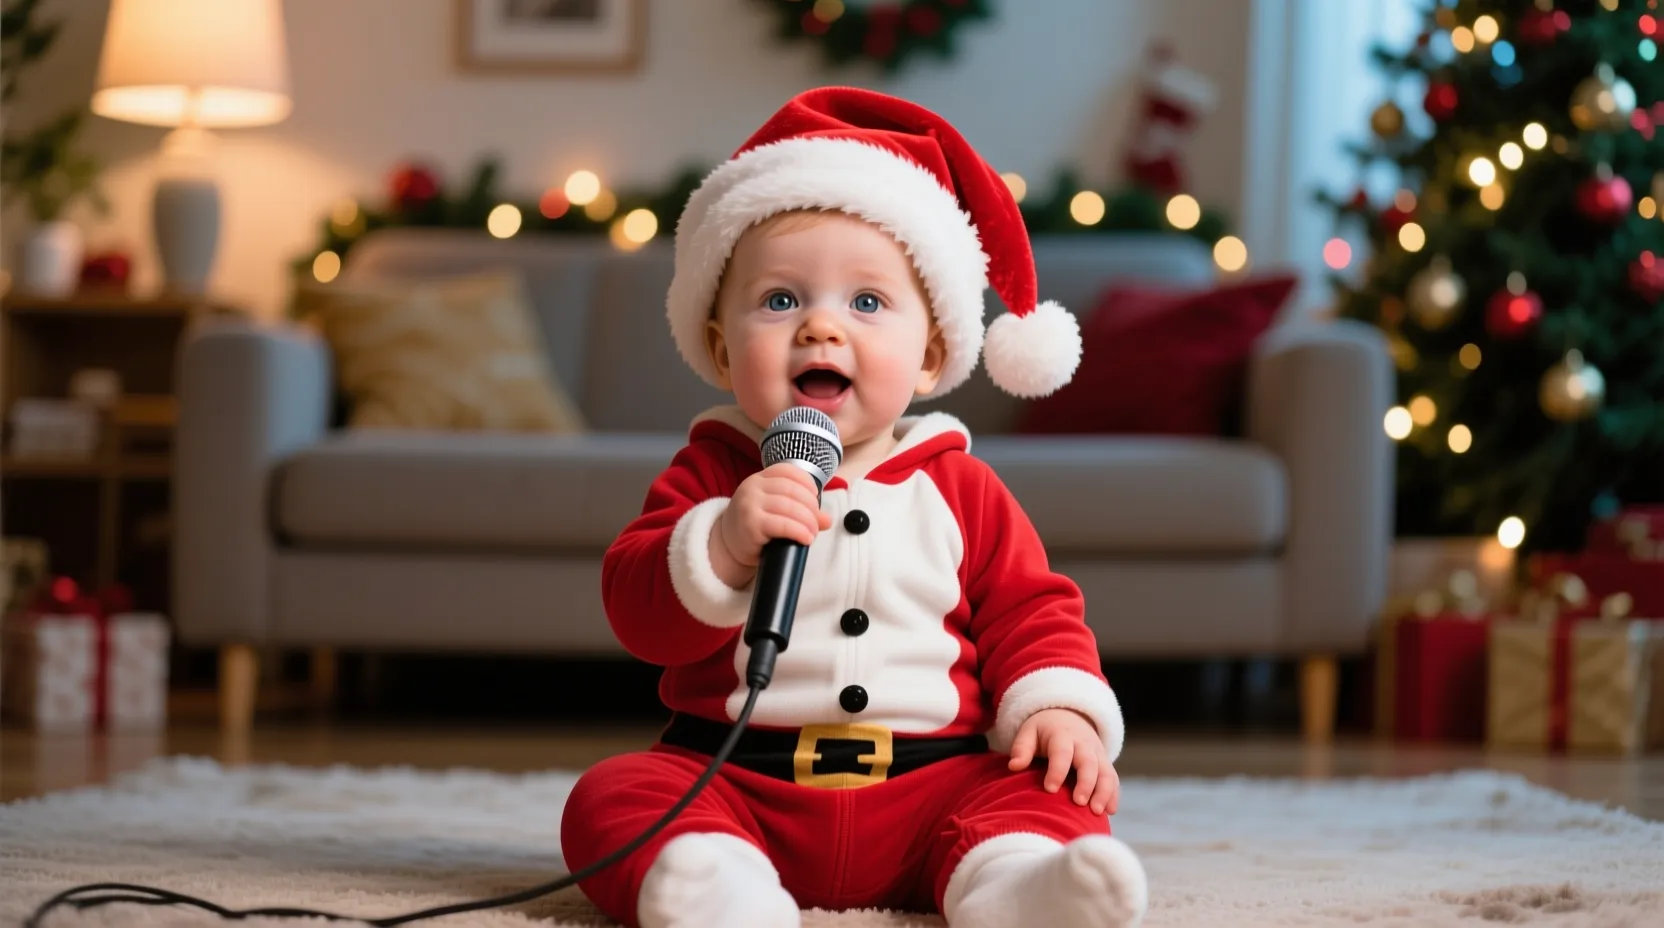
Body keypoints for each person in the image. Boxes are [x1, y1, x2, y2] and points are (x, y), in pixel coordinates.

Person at [560, 86, 1148, 928]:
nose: (822, 329)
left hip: (932, 787)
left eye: (867, 303)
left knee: (1050, 791)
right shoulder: (712, 473)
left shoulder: (960, 487)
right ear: (724, 351)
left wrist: (1058, 706)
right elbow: (637, 609)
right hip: (742, 782)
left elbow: (1033, 611)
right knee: (611, 796)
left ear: (931, 353)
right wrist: (722, 544)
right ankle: (721, 887)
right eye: (780, 300)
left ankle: (1015, 885)